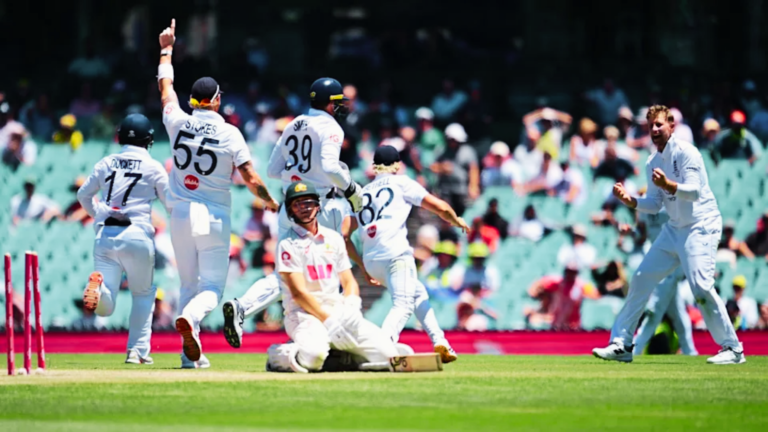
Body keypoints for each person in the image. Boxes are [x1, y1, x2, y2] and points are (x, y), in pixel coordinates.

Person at [156, 19, 279, 368]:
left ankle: (187, 354)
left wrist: (166, 49)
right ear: (217, 100)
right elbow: (251, 176)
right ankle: (192, 320)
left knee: (186, 283)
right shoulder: (230, 134)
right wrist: (269, 200)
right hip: (213, 215)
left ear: (195, 100)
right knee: (211, 287)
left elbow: (166, 89)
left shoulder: (176, 120)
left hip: (179, 214)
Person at [593, 105, 745, 365]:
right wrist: (631, 201)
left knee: (701, 288)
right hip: (675, 228)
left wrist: (668, 185)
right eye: (650, 125)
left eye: (659, 124)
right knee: (641, 278)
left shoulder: (688, 153)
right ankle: (622, 343)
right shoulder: (653, 161)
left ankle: (733, 348)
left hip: (701, 225)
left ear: (671, 126)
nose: (654, 129)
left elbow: (695, 192)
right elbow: (654, 203)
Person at [222, 76, 365, 349]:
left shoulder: (293, 124)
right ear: (329, 104)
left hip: (290, 205)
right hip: (320, 205)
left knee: (286, 273)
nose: (340, 107)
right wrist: (352, 189)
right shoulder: (332, 127)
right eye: (337, 102)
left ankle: (243, 306)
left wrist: (300, 177)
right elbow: (332, 167)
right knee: (328, 270)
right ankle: (334, 334)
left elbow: (274, 171)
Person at [348, 146, 469, 362]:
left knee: (418, 294)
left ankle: (440, 341)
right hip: (395, 254)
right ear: (397, 165)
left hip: (371, 259)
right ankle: (381, 350)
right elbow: (438, 206)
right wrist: (456, 219)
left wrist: (362, 266)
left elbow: (345, 235)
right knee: (403, 304)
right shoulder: (401, 182)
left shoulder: (362, 192)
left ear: (374, 167)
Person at [265, 181, 400, 372]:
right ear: (290, 210)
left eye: (308, 203)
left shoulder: (334, 238)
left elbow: (348, 281)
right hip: (303, 315)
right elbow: (298, 293)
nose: (304, 208)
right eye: (297, 204)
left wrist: (352, 305)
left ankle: (342, 355)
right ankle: (280, 355)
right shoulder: (287, 243)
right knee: (313, 358)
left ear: (318, 205)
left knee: (389, 356)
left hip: (336, 310)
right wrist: (328, 322)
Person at [76, 114, 169, 365]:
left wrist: (100, 214)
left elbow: (83, 195)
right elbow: (170, 204)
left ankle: (100, 288)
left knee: (105, 307)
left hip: (106, 235)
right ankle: (137, 351)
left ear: (119, 136)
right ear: (148, 139)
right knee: (143, 294)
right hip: (137, 235)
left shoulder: (106, 162)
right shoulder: (153, 166)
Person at [624, 209, 698, 356]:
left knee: (655, 312)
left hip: (673, 261)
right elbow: (642, 237)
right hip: (657, 262)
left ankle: (635, 349)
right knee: (678, 315)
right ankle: (690, 351)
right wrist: (630, 232)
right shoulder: (645, 207)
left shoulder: (673, 204)